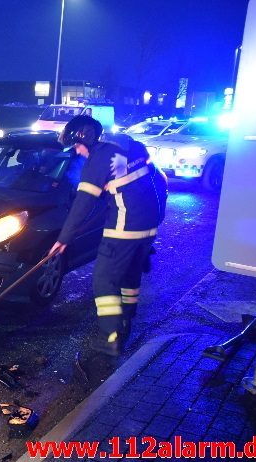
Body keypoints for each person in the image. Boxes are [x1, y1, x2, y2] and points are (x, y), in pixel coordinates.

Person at [49, 115, 166, 357]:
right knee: (130, 275)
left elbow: (82, 203)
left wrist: (63, 239)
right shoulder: (126, 147)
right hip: (149, 224)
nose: (79, 153)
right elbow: (125, 178)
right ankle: (126, 320)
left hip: (125, 226)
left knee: (103, 279)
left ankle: (110, 336)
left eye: (78, 147)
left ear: (86, 139)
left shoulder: (99, 158)